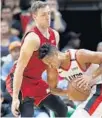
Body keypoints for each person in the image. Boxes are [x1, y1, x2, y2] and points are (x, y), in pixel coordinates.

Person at [11, 1, 67, 117]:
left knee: (62, 109)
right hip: (21, 80)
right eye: (43, 15)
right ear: (34, 17)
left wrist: (53, 87)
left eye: (49, 13)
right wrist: (15, 98)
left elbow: (51, 65)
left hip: (37, 81)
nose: (48, 17)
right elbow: (19, 68)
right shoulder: (32, 39)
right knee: (27, 115)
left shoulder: (55, 35)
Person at [38, 43, 102, 118]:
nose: (50, 65)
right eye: (47, 64)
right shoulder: (53, 70)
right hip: (85, 97)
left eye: (50, 62)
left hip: (98, 88)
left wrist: (91, 77)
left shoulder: (79, 55)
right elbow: (53, 89)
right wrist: (68, 92)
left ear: (56, 54)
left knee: (80, 115)